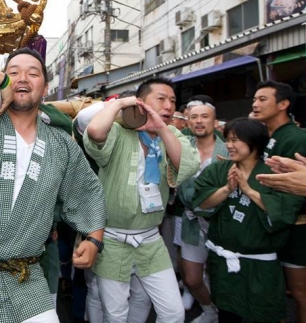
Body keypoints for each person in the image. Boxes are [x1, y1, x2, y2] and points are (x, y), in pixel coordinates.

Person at [0, 48, 106, 323]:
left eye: (33, 73)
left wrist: (94, 238)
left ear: (45, 88)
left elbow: (86, 190)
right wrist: (0, 81)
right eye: (14, 73)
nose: (23, 78)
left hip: (25, 276)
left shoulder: (61, 145)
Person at [83, 77, 200, 323]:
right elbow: (94, 131)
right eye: (161, 98)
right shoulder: (117, 131)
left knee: (173, 312)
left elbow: (186, 166)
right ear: (140, 102)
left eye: (172, 101)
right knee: (115, 315)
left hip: (150, 239)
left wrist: (162, 129)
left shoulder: (172, 134)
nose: (169, 105)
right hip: (112, 239)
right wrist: (121, 104)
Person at [192, 118, 305, 322]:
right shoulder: (218, 170)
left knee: (262, 313)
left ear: (254, 142)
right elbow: (201, 202)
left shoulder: (274, 174)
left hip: (260, 266)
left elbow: (284, 213)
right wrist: (227, 189)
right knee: (227, 312)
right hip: (223, 262)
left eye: (235, 140)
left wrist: (249, 191)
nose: (228, 145)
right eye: (227, 139)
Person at [252, 80, 306, 322]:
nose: (255, 104)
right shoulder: (268, 135)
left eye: (262, 99)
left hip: (295, 225)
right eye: (254, 99)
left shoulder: (296, 138)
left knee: (299, 292)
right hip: (273, 222)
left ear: (283, 104)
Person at [175, 100, 228, 323]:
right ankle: (209, 311)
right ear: (188, 121)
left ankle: (224, 314)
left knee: (223, 279)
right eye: (194, 117)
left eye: (205, 116)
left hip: (222, 223)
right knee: (192, 278)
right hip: (191, 221)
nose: (199, 121)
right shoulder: (181, 145)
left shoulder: (228, 149)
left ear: (215, 122)